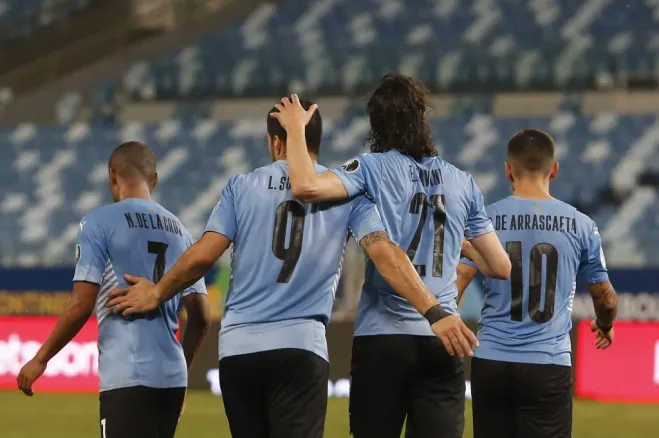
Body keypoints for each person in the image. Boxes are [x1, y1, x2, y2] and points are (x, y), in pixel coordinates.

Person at [105, 99, 469, 438]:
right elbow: (384, 253)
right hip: (301, 349)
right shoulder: (348, 193)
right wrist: (433, 310)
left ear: (274, 142)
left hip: (239, 351)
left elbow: (203, 256)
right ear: (317, 141)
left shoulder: (241, 187)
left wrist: (156, 292)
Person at [268, 76, 512, 438]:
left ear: (376, 123)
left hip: (383, 340)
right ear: (421, 118)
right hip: (442, 340)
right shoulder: (463, 181)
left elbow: (306, 186)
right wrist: (455, 241)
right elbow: (500, 267)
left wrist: (295, 129)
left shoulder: (372, 168)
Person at [16, 141, 211, 438]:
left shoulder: (97, 223)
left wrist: (40, 358)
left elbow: (81, 305)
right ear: (154, 180)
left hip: (127, 376)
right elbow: (201, 316)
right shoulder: (182, 232)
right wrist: (182, 370)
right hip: (171, 380)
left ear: (112, 176)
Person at [455, 129, 619, 438]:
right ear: (554, 170)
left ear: (508, 170)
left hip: (491, 360)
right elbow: (605, 297)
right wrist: (605, 323)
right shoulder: (582, 225)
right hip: (548, 363)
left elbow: (457, 283)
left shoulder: (485, 221)